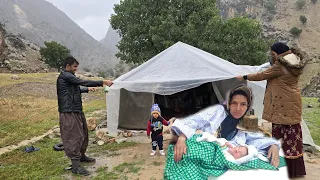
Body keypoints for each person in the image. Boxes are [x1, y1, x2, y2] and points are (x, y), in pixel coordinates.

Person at [236, 42, 306, 178]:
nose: (272, 57)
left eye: (273, 54)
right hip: (291, 103)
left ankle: (284, 168)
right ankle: (295, 170)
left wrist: (244, 77)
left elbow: (262, 75)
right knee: (293, 137)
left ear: (280, 53)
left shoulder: (281, 65)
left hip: (282, 106)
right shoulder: (293, 61)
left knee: (280, 138)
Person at [171, 85, 280, 167]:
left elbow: (255, 139)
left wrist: (272, 146)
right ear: (228, 103)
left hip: (226, 157)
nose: (238, 108)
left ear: (248, 106)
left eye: (243, 104)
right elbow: (193, 121)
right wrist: (181, 138)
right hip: (206, 149)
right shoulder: (217, 111)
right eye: (234, 103)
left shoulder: (248, 120)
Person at [56, 56, 113, 176]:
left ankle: (81, 156)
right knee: (74, 136)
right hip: (69, 111)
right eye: (74, 67)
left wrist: (87, 89)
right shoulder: (65, 75)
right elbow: (82, 81)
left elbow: (75, 87)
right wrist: (102, 82)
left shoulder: (69, 77)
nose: (76, 69)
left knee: (83, 134)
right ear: (68, 66)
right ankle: (75, 166)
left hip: (76, 110)